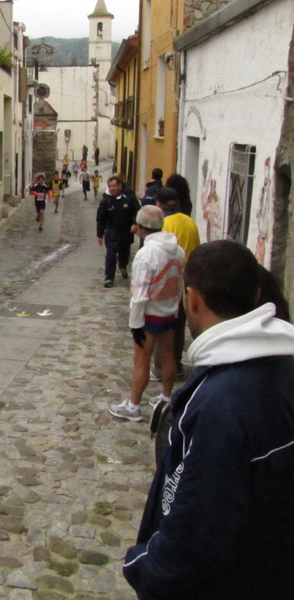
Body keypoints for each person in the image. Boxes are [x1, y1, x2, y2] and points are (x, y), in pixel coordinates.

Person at [123, 240, 294, 599]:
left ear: (193, 300)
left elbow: (197, 522)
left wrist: (145, 566)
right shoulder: (282, 367)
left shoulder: (220, 400)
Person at [109, 206, 185, 421]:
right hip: (169, 312)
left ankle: (133, 406)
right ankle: (166, 397)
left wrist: (135, 324)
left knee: (141, 361)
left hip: (150, 315)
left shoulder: (146, 254)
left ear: (140, 228)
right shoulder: (177, 250)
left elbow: (139, 293)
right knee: (168, 355)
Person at [151, 187, 200, 379]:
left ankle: (160, 368)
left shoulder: (164, 225)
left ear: (159, 204)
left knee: (161, 325)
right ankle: (177, 365)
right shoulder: (190, 221)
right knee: (179, 327)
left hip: (168, 281)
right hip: (187, 280)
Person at [96, 175, 139, 288]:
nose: (112, 188)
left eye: (114, 186)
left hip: (126, 230)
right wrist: (100, 234)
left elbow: (136, 210)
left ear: (120, 185)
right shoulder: (106, 201)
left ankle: (123, 266)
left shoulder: (129, 197)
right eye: (110, 186)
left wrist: (134, 223)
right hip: (112, 231)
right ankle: (109, 278)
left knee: (124, 251)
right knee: (110, 254)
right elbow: (100, 218)